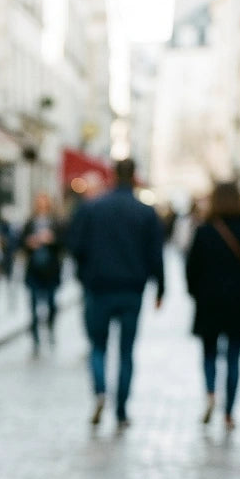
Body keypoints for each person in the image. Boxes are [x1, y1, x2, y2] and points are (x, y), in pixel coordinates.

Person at [68, 157, 165, 429]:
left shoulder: (93, 208)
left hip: (98, 288)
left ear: (112, 176)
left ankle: (100, 392)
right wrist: (161, 287)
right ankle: (121, 410)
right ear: (135, 176)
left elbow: (75, 245)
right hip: (131, 290)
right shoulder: (146, 212)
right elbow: (155, 254)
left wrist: (85, 274)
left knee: (98, 347)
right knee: (126, 352)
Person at [185, 180, 240, 430]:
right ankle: (229, 412)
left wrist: (195, 293)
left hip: (209, 301)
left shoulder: (205, 230)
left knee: (209, 352)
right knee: (234, 356)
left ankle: (211, 393)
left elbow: (191, 269)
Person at [19, 191, 65, 354]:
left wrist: (51, 240)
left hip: (51, 269)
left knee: (51, 303)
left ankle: (50, 328)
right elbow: (20, 242)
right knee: (33, 304)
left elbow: (64, 243)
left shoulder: (56, 222)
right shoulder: (30, 222)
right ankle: (35, 336)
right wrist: (30, 242)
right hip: (34, 269)